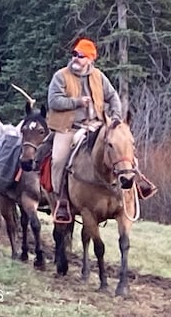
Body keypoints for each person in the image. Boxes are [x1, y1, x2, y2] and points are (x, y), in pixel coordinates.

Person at [46, 38, 123, 223]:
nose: (76, 59)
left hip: (96, 124)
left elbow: (113, 96)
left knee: (120, 148)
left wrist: (116, 117)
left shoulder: (98, 76)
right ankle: (61, 199)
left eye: (80, 56)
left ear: (90, 59)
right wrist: (77, 102)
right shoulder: (61, 76)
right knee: (58, 160)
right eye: (74, 54)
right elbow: (53, 101)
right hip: (68, 128)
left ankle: (125, 192)